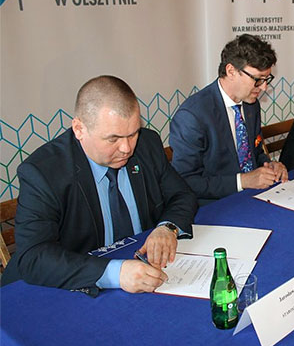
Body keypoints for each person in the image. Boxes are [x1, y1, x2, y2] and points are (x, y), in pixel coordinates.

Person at [1, 76, 198, 296]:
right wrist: (115, 273)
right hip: (71, 285)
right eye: (113, 139)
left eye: (133, 134)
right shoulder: (44, 172)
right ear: (79, 129)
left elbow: (182, 195)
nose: (126, 148)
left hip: (139, 266)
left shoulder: (147, 144)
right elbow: (34, 257)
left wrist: (167, 228)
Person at [169, 34, 288, 206]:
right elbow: (186, 180)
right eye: (258, 80)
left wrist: (270, 166)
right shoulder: (193, 116)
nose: (264, 87)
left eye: (266, 79)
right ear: (231, 71)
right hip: (215, 205)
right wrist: (243, 181)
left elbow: (255, 153)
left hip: (253, 197)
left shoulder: (250, 104)